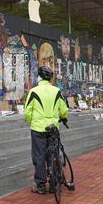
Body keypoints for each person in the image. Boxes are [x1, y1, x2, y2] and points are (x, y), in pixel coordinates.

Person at [24, 66, 68, 194]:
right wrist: (63, 118)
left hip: (38, 129)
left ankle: (41, 185)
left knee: (39, 156)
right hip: (53, 127)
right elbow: (64, 110)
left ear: (39, 77)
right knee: (53, 155)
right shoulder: (57, 91)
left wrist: (32, 121)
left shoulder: (34, 91)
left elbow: (27, 112)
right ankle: (54, 184)